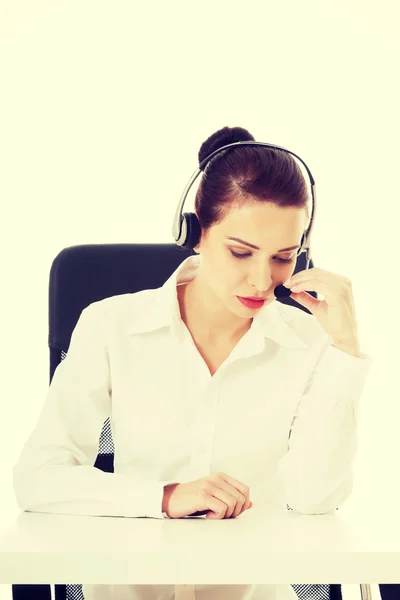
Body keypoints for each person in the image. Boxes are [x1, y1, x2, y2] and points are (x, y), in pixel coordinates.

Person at [13, 126, 372, 600]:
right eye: (241, 252)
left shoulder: (308, 341)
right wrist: (164, 497)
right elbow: (38, 477)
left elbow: (315, 498)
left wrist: (345, 350)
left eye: (284, 257)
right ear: (195, 232)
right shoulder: (112, 326)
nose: (263, 281)